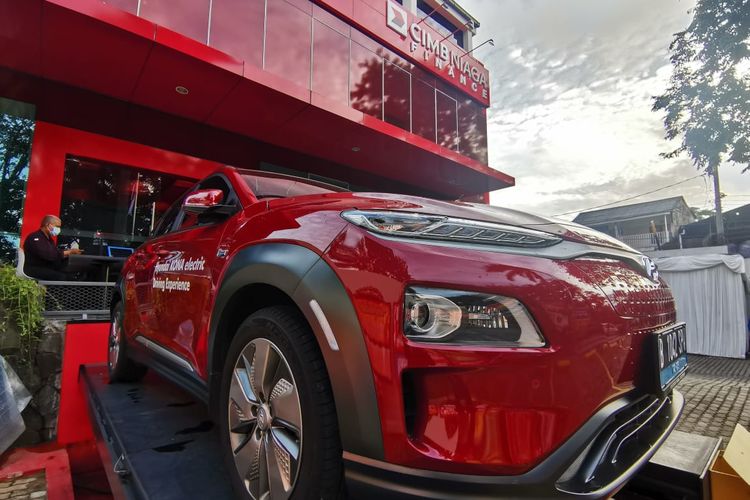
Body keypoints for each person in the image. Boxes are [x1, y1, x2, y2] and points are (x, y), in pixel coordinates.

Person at [23, 215, 82, 280]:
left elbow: (55, 253)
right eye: (57, 226)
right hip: (34, 268)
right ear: (48, 225)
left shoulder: (49, 239)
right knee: (62, 277)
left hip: (46, 267)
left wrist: (69, 253)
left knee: (70, 275)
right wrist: (68, 252)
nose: (59, 229)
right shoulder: (36, 237)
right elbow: (48, 254)